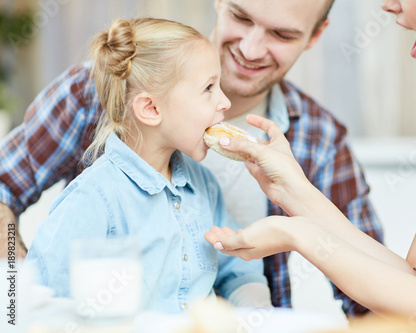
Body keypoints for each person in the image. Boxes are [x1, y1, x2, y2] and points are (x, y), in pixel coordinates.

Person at [0, 0, 383, 315]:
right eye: (241, 16)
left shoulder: (316, 140)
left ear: (316, 35)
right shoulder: (95, 103)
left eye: (281, 34)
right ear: (147, 108)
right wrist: (20, 294)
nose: (249, 49)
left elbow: (373, 292)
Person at [205, 0, 416, 331]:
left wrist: (296, 231)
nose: (388, 6)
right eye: (242, 17)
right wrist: (293, 191)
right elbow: (415, 281)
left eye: (282, 34)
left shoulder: (322, 136)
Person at [22, 18, 272, 313]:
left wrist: (258, 315)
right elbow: (40, 301)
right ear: (151, 109)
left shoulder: (203, 186)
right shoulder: (93, 199)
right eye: (208, 88)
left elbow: (239, 271)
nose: (225, 102)